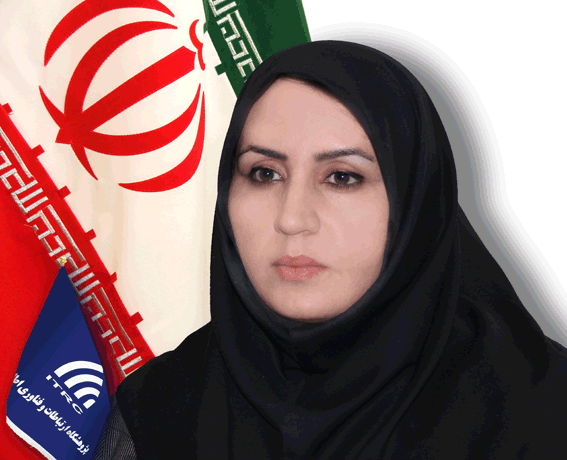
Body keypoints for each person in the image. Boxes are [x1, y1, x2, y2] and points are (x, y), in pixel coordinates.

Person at [94, 41, 567, 459]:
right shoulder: (161, 406)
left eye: (342, 177)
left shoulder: (544, 411)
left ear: (416, 202)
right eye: (264, 173)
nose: (292, 218)